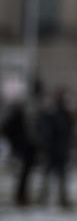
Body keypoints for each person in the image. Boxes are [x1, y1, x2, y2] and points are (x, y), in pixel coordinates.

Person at [1, 77, 45, 206]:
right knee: (25, 173)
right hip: (27, 145)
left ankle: (21, 196)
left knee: (25, 173)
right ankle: (21, 196)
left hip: (27, 145)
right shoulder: (29, 106)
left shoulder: (25, 105)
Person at [38, 86, 75, 209]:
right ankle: (47, 196)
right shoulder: (56, 113)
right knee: (53, 175)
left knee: (58, 175)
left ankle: (53, 197)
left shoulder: (62, 113)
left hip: (58, 149)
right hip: (56, 149)